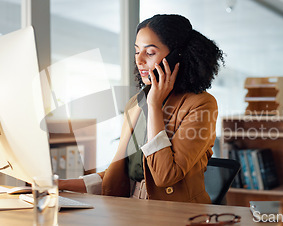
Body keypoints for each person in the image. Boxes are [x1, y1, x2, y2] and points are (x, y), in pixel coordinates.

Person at [59, 14, 224, 204]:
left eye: (150, 53)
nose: (140, 60)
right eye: (137, 51)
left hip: (177, 213)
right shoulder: (136, 103)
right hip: (131, 205)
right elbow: (120, 175)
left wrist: (154, 105)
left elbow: (165, 176)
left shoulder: (201, 104)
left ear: (176, 56)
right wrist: (61, 184)